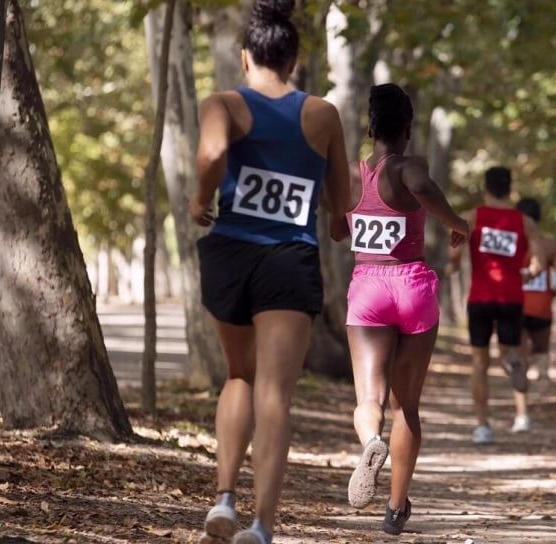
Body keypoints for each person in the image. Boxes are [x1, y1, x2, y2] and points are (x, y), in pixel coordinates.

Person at [188, 0, 350, 542]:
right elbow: (340, 201)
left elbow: (211, 154)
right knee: (275, 393)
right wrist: (333, 223)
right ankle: (261, 527)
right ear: (294, 60)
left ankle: (225, 499)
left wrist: (201, 197)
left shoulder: (224, 104)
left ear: (245, 55)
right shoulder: (322, 114)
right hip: (288, 259)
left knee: (239, 375)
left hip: (231, 252)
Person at [329, 83, 468, 536]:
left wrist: (350, 213)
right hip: (412, 287)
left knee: (369, 398)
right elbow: (423, 186)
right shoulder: (411, 166)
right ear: (407, 129)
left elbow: (335, 231)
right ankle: (395, 507)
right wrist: (456, 223)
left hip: (367, 288)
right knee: (407, 404)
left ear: (369, 128)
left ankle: (372, 441)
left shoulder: (351, 174)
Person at [446, 167, 544, 443]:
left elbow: (454, 254)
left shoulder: (473, 217)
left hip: (480, 298)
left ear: (485, 189)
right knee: (510, 351)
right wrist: (525, 273)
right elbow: (536, 264)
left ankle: (482, 426)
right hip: (512, 298)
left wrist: (452, 265)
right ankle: (514, 367)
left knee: (479, 362)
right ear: (511, 189)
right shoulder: (526, 222)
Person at [516, 197, 556, 383]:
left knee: (518, 350)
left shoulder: (510, 245)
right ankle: (543, 385)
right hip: (542, 307)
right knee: (542, 350)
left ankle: (520, 388)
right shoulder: (550, 246)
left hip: (515, 305)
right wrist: (550, 294)